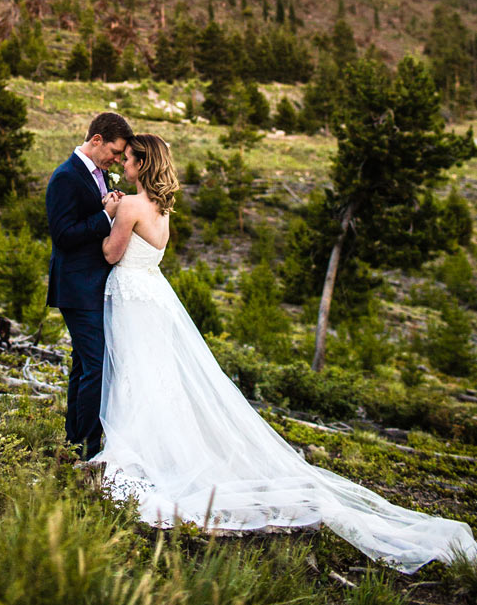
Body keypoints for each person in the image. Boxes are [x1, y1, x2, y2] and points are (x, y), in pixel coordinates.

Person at [91, 133, 477, 573]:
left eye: (129, 158)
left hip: (130, 296)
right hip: (153, 298)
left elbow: (110, 252)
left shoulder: (129, 206)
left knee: (133, 375)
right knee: (153, 376)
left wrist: (106, 212)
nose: (123, 162)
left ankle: (137, 452)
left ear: (145, 162)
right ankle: (158, 450)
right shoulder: (161, 211)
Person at [46, 111, 132, 459]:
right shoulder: (65, 177)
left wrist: (106, 207)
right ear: (97, 140)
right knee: (98, 365)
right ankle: (88, 449)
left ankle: (74, 443)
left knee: (84, 364)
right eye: (114, 151)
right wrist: (106, 216)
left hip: (92, 284)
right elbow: (63, 236)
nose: (117, 159)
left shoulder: (96, 175)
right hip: (77, 287)